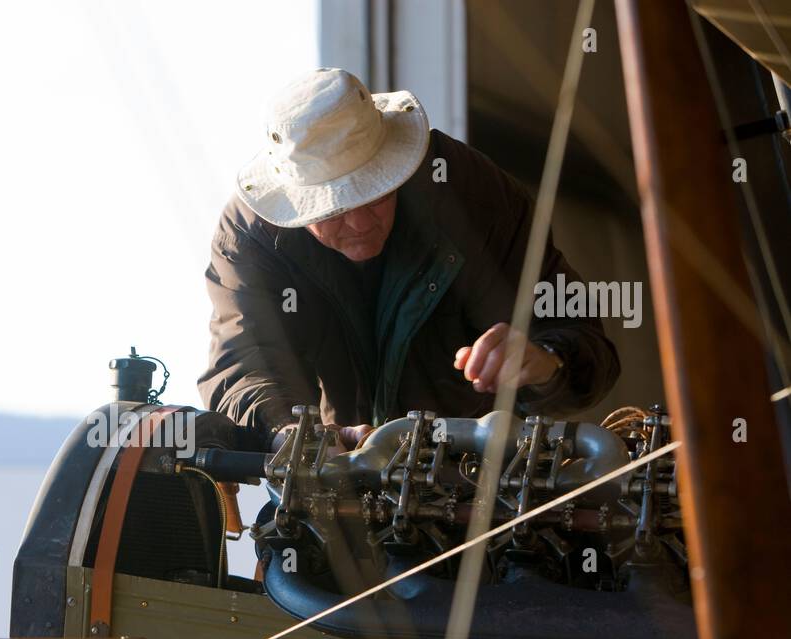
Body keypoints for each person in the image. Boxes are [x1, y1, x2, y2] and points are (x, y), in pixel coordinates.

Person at [197, 68, 620, 450]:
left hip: (480, 481)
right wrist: (292, 435)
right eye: (334, 209)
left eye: (377, 191)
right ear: (293, 204)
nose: (361, 222)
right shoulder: (249, 237)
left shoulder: (472, 194)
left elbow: (584, 344)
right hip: (335, 483)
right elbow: (244, 369)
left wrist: (546, 360)